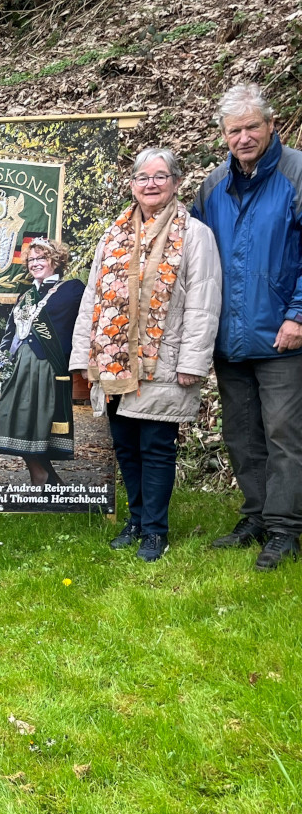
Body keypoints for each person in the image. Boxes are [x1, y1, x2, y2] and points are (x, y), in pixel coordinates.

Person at [70, 148, 222, 562]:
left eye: (160, 176)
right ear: (132, 185)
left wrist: (193, 361)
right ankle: (135, 520)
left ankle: (156, 531)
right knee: (125, 446)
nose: (150, 184)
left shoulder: (195, 235)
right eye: (142, 177)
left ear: (176, 182)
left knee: (156, 447)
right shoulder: (113, 234)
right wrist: (83, 355)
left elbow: (204, 304)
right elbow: (92, 298)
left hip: (164, 362)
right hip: (115, 364)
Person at [191, 83, 302, 571]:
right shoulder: (213, 186)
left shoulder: (297, 173)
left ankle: (285, 530)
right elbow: (192, 257)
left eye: (252, 126)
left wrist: (298, 314)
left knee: (284, 434)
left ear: (271, 125)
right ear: (224, 135)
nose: (243, 137)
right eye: (234, 130)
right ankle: (255, 516)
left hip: (283, 335)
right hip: (228, 337)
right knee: (241, 435)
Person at [0, 238, 85, 486]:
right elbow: (11, 332)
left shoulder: (72, 289)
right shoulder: (25, 296)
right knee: (14, 419)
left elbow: (86, 325)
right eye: (31, 260)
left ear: (56, 261)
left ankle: (42, 476)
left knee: (36, 423)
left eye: (41, 258)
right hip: (18, 365)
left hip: (47, 365)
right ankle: (43, 475)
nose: (35, 263)